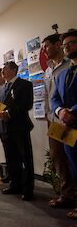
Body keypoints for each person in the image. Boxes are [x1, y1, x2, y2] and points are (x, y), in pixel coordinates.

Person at [42, 33, 75, 208]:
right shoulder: (48, 70)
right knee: (58, 158)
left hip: (71, 119)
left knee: (73, 158)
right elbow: (49, 96)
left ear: (57, 45)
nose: (44, 50)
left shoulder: (70, 64)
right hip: (54, 120)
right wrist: (50, 115)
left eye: (46, 46)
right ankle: (67, 194)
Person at [0, 61, 34, 201]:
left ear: (13, 70)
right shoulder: (3, 87)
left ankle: (27, 189)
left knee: (25, 159)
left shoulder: (24, 84)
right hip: (5, 128)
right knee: (11, 158)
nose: (3, 72)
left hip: (19, 127)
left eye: (5, 69)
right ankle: (15, 184)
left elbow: (26, 104)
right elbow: (2, 105)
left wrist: (9, 113)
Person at [51, 29, 77, 219]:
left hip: (74, 120)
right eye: (66, 44)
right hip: (66, 126)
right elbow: (54, 99)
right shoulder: (62, 75)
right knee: (73, 165)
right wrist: (60, 111)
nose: (68, 47)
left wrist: (72, 112)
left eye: (72, 43)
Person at [0, 68, 9, 183]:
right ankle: (9, 174)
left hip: (10, 123)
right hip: (1, 123)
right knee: (7, 151)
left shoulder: (8, 88)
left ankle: (13, 176)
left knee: (14, 153)